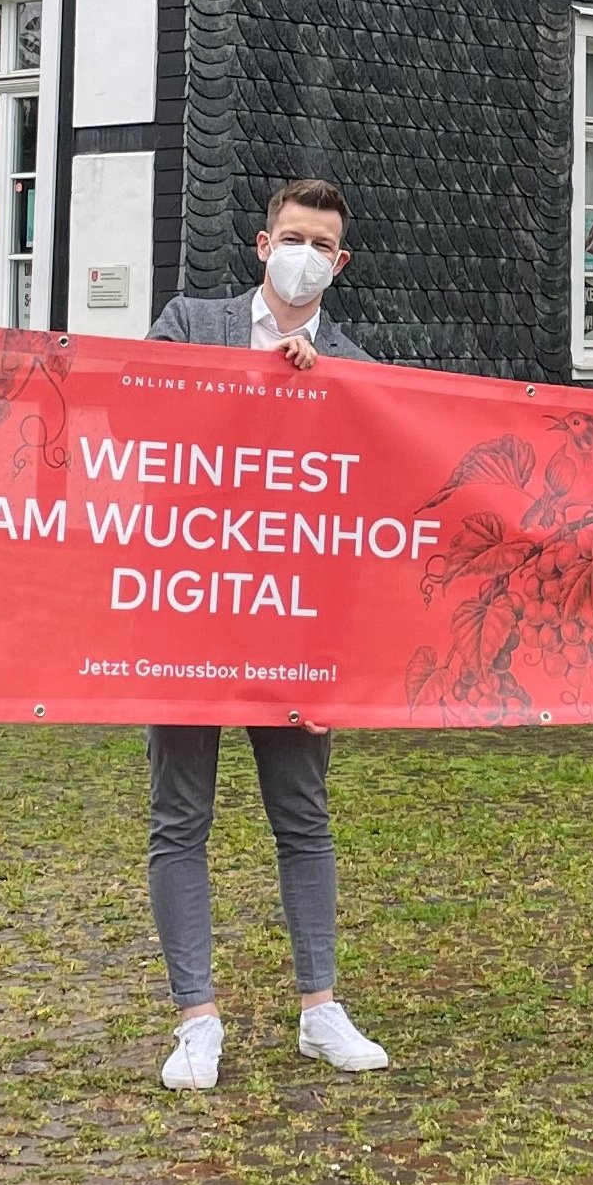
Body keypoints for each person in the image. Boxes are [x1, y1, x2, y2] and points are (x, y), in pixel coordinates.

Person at [138, 179, 393, 1089]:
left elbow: (368, 513)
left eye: (321, 244)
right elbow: (139, 413)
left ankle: (321, 1008)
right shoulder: (190, 323)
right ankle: (195, 1020)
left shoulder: (356, 366)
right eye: (293, 237)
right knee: (180, 817)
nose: (304, 256)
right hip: (187, 606)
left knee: (303, 816)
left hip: (296, 623)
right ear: (260, 243)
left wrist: (343, 662)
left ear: (341, 262)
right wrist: (256, 384)